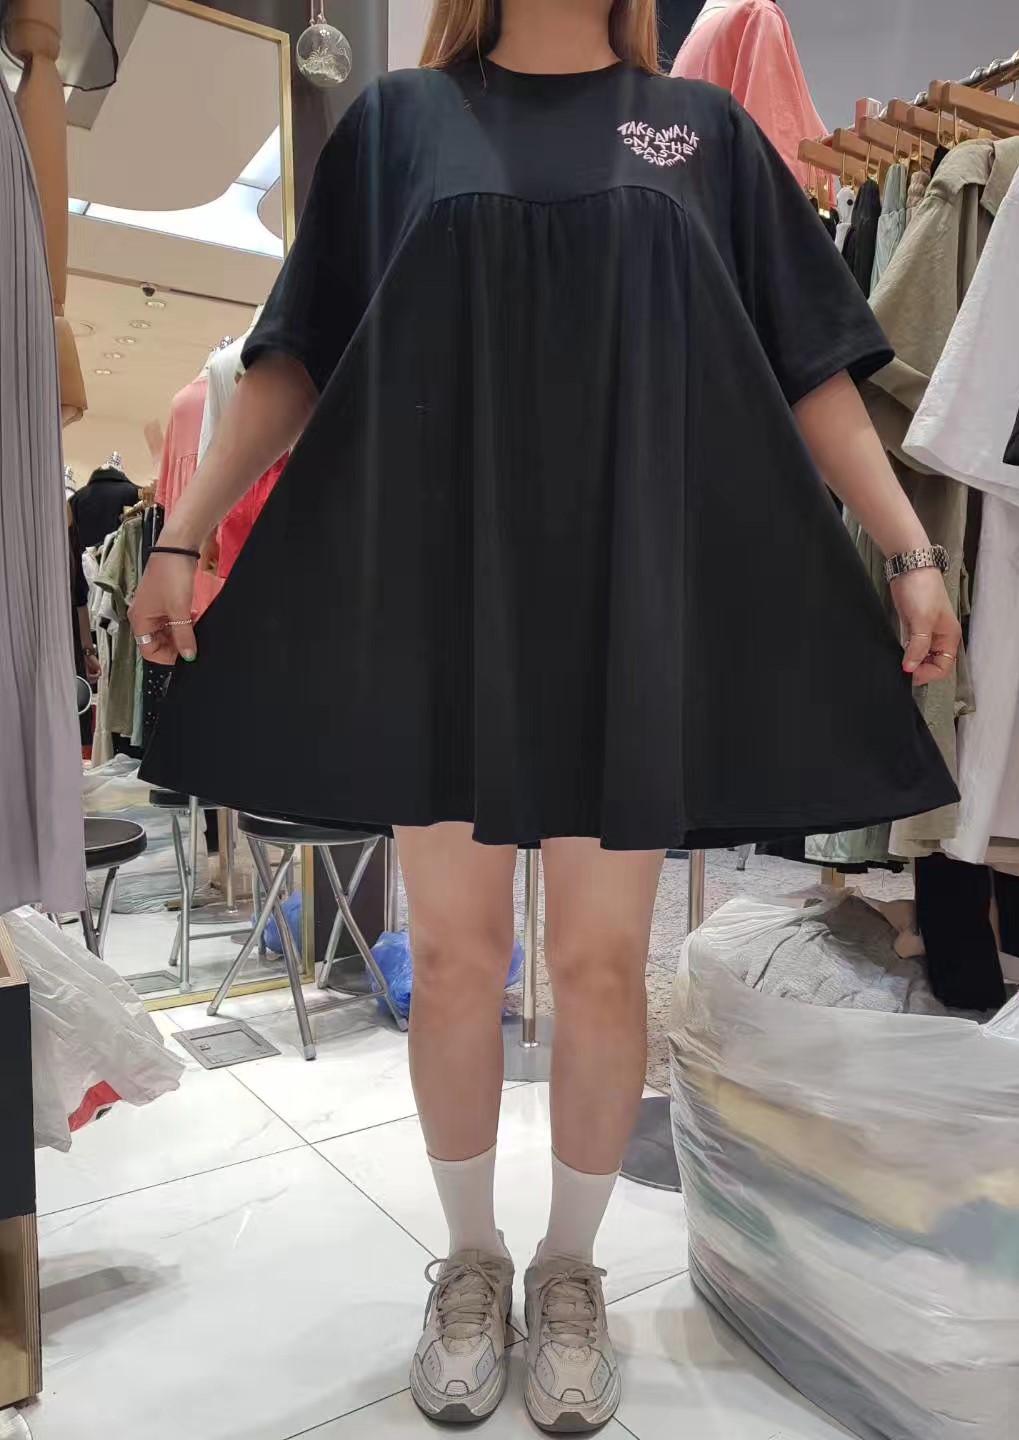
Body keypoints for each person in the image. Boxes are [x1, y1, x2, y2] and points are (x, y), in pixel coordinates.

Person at [130, 0, 960, 1429]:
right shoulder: (401, 125)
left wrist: (908, 547)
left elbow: (807, 366)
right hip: (440, 602)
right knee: (457, 957)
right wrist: (182, 531)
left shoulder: (700, 134)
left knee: (599, 963)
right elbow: (297, 353)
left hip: (626, 604)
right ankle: (471, 1264)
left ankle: (571, 1271)